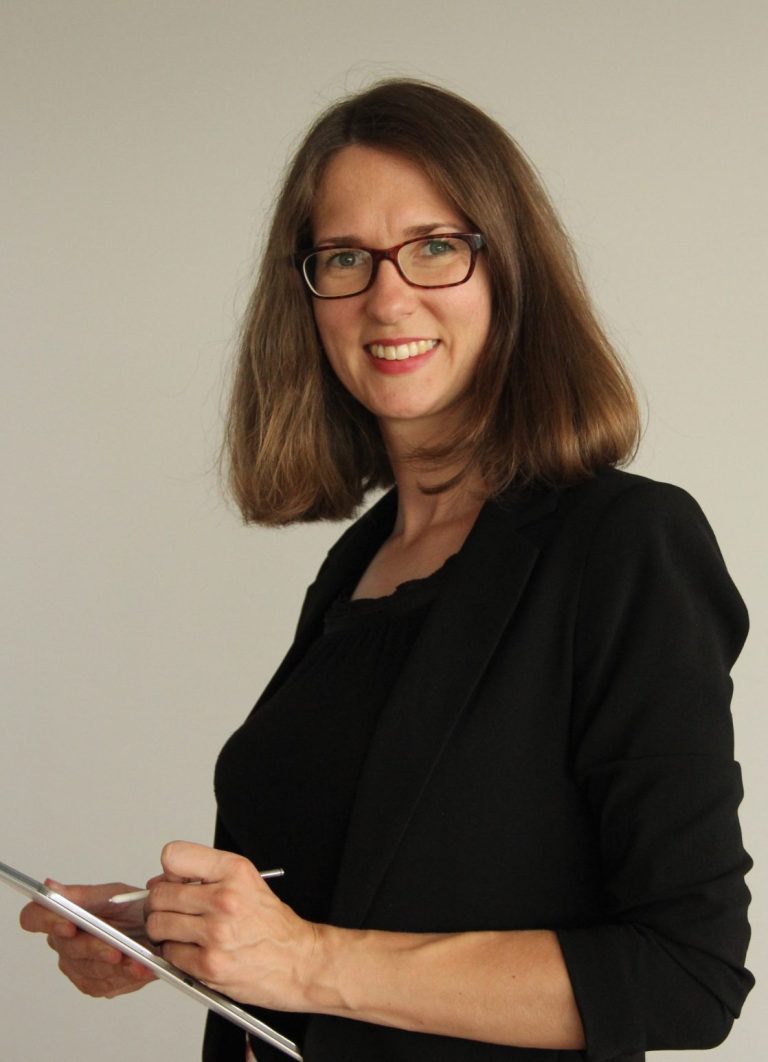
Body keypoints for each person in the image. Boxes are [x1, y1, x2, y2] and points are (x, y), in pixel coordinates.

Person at [20, 79, 753, 1062]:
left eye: (435, 246)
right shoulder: (360, 564)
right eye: (344, 258)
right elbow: (360, 890)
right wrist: (171, 934)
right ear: (307, 296)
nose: (388, 296)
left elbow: (686, 976)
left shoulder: (625, 544)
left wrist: (304, 963)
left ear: (511, 271)